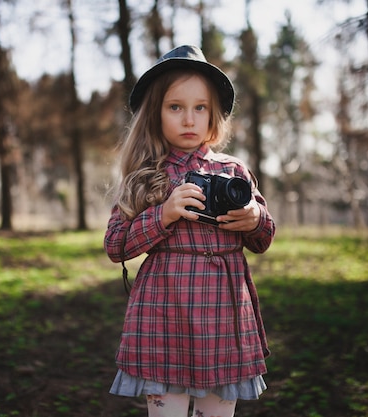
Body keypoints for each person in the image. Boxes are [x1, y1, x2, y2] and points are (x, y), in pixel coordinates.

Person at [104, 45, 276, 417]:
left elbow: (263, 238)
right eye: (175, 107)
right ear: (156, 113)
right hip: (163, 313)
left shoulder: (234, 172)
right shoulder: (146, 174)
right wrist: (163, 215)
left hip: (224, 315)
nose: (189, 119)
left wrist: (254, 219)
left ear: (214, 114)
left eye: (200, 107)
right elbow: (115, 245)